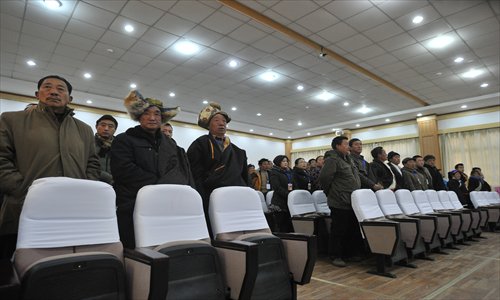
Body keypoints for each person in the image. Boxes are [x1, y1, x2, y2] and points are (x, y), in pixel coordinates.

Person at [0, 75, 100, 258]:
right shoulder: (12, 120)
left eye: (61, 89)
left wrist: (85, 188)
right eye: (47, 87)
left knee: (62, 262)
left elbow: (92, 163)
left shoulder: (84, 129)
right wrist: (21, 188)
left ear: (69, 98)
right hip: (23, 205)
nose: (54, 91)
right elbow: (2, 158)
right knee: (13, 269)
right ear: (38, 94)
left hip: (71, 208)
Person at [111, 90, 193, 248]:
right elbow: (124, 170)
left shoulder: (171, 145)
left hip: (165, 204)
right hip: (132, 203)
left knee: (164, 247)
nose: (152, 118)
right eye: (146, 113)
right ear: (138, 116)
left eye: (157, 114)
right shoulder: (124, 140)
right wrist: (158, 185)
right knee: (135, 249)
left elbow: (178, 172)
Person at [187, 102, 248, 224]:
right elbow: (195, 174)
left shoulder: (238, 151)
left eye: (224, 121)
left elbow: (245, 177)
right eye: (216, 120)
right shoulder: (199, 144)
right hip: (210, 195)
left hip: (235, 194)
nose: (221, 123)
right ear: (208, 125)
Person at [320, 136, 363, 267]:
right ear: (337, 146)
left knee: (351, 228)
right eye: (345, 144)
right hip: (339, 200)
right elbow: (324, 179)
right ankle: (335, 255)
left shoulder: (348, 159)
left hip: (352, 200)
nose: (348, 147)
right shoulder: (332, 160)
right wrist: (332, 193)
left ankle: (349, 254)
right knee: (338, 230)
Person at [269, 155, 294, 233]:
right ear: (278, 162)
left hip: (289, 200)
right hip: (279, 202)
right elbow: (277, 187)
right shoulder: (274, 172)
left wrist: (293, 194)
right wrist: (289, 195)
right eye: (283, 161)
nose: (286, 163)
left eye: (286, 161)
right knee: (281, 224)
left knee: (289, 224)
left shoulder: (289, 172)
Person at [95, 115, 118, 184]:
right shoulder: (88, 143)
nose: (106, 129)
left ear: (115, 129)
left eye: (110, 126)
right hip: (92, 182)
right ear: (96, 127)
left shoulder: (120, 146)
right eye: (103, 125)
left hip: (115, 185)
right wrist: (109, 178)